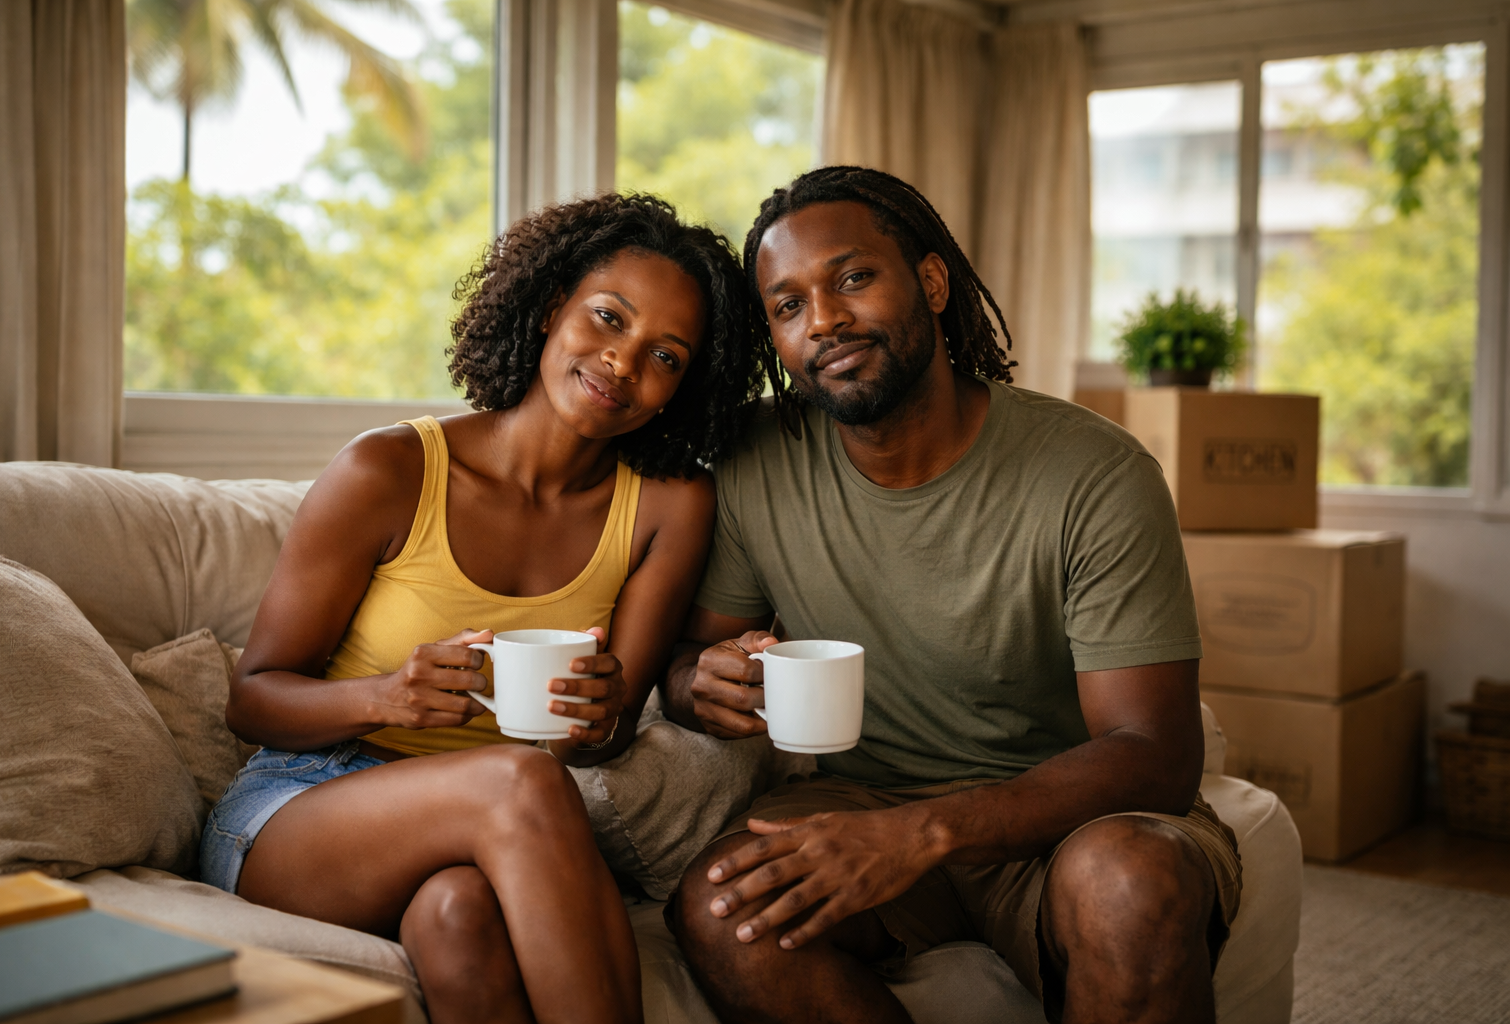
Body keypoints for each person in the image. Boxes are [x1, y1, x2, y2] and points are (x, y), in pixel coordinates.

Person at [663, 166, 1240, 1024]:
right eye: (787, 307)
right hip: (862, 797)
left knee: (1130, 883)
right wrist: (698, 683)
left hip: (1071, 817)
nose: (822, 320)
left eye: (852, 277)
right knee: (723, 901)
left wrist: (921, 834)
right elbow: (689, 665)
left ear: (930, 283)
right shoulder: (759, 460)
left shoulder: (1096, 473)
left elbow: (1155, 752)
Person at [203, 194, 769, 1024]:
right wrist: (382, 696)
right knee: (517, 778)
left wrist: (593, 713)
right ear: (550, 310)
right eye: (607, 319)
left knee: (457, 914)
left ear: (682, 388)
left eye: (666, 356)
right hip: (305, 804)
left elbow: (603, 736)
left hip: (491, 834)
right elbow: (252, 696)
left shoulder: (669, 506)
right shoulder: (390, 469)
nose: (621, 362)